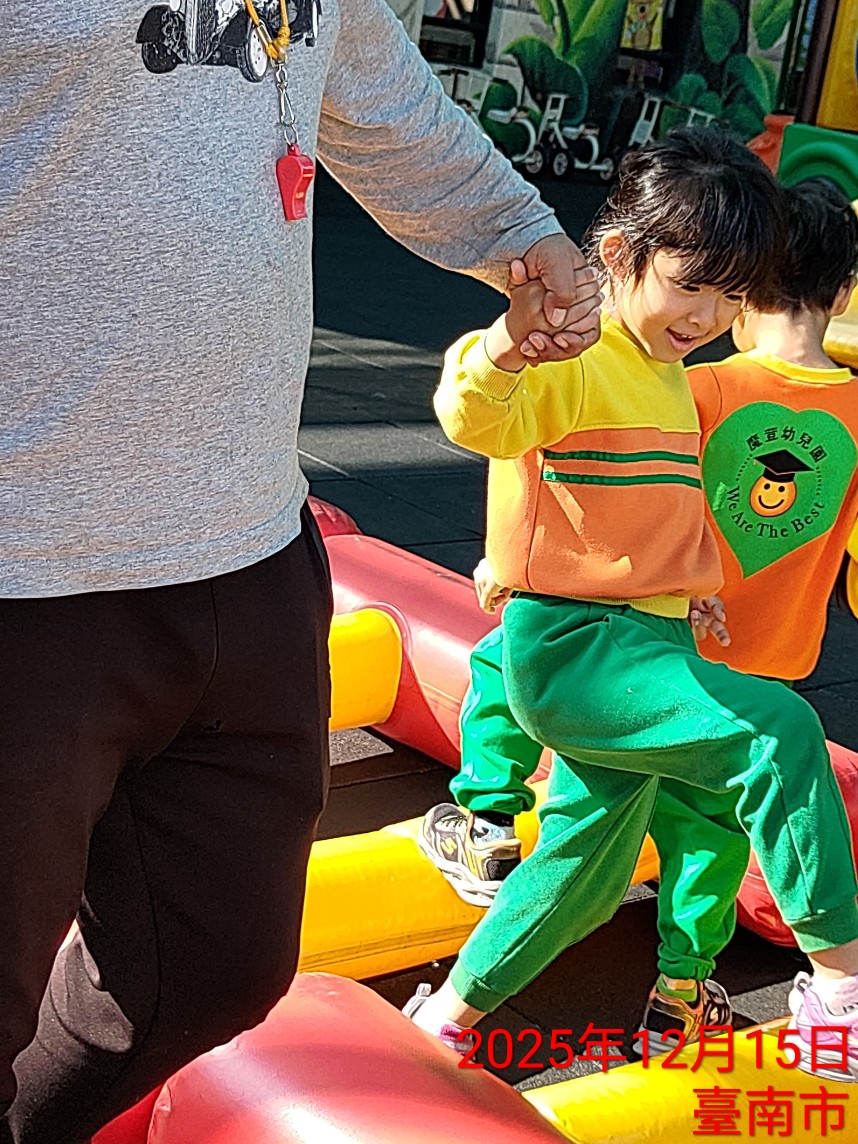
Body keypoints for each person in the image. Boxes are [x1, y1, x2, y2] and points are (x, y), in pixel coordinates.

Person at [0, 0, 604, 1139]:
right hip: (26, 565)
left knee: (211, 966)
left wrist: (521, 235)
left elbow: (377, 94)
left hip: (248, 548)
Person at [405, 130, 858, 1082]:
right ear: (620, 253)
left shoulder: (667, 374)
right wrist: (505, 345)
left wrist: (696, 589)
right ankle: (841, 987)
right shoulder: (582, 350)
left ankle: (445, 1016)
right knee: (778, 732)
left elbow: (662, 504)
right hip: (580, 650)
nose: (710, 315)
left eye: (731, 296)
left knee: (590, 865)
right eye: (693, 286)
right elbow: (478, 416)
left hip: (644, 640)